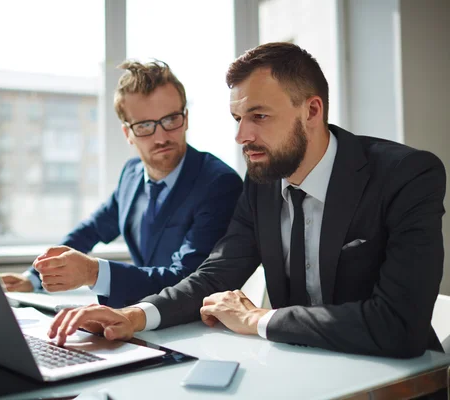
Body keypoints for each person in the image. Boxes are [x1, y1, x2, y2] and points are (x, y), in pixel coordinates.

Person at [47, 42, 446, 359]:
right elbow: (213, 276)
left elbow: (399, 325)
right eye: (238, 119)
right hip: (298, 370)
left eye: (259, 117)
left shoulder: (407, 176)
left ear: (311, 110)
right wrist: (132, 316)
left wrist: (258, 319)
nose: (241, 136)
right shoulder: (261, 184)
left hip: (395, 380)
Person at [1, 60, 243, 309]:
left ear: (186, 118)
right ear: (128, 133)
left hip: (191, 323)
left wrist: (93, 273)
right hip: (135, 317)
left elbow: (188, 278)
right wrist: (34, 277)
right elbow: (91, 230)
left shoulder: (219, 184)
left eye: (171, 119)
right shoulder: (131, 175)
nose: (161, 137)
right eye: (145, 126)